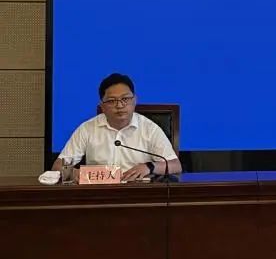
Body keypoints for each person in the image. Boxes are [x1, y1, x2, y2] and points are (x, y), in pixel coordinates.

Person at [51, 73, 182, 180]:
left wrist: (149, 167)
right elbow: (58, 166)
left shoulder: (150, 129)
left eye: (125, 99)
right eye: (112, 101)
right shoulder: (87, 128)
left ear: (134, 100)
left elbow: (175, 165)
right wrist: (73, 172)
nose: (119, 105)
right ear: (102, 106)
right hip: (99, 193)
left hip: (139, 193)